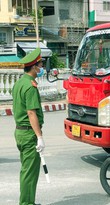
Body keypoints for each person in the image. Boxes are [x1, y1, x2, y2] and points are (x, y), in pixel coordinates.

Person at [12, 48, 45, 205]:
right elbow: (31, 113)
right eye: (40, 64)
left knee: (27, 171)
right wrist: (39, 137)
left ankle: (27, 202)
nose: (41, 67)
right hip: (28, 134)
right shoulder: (30, 86)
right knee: (29, 173)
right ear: (34, 67)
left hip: (20, 132)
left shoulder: (19, 83)